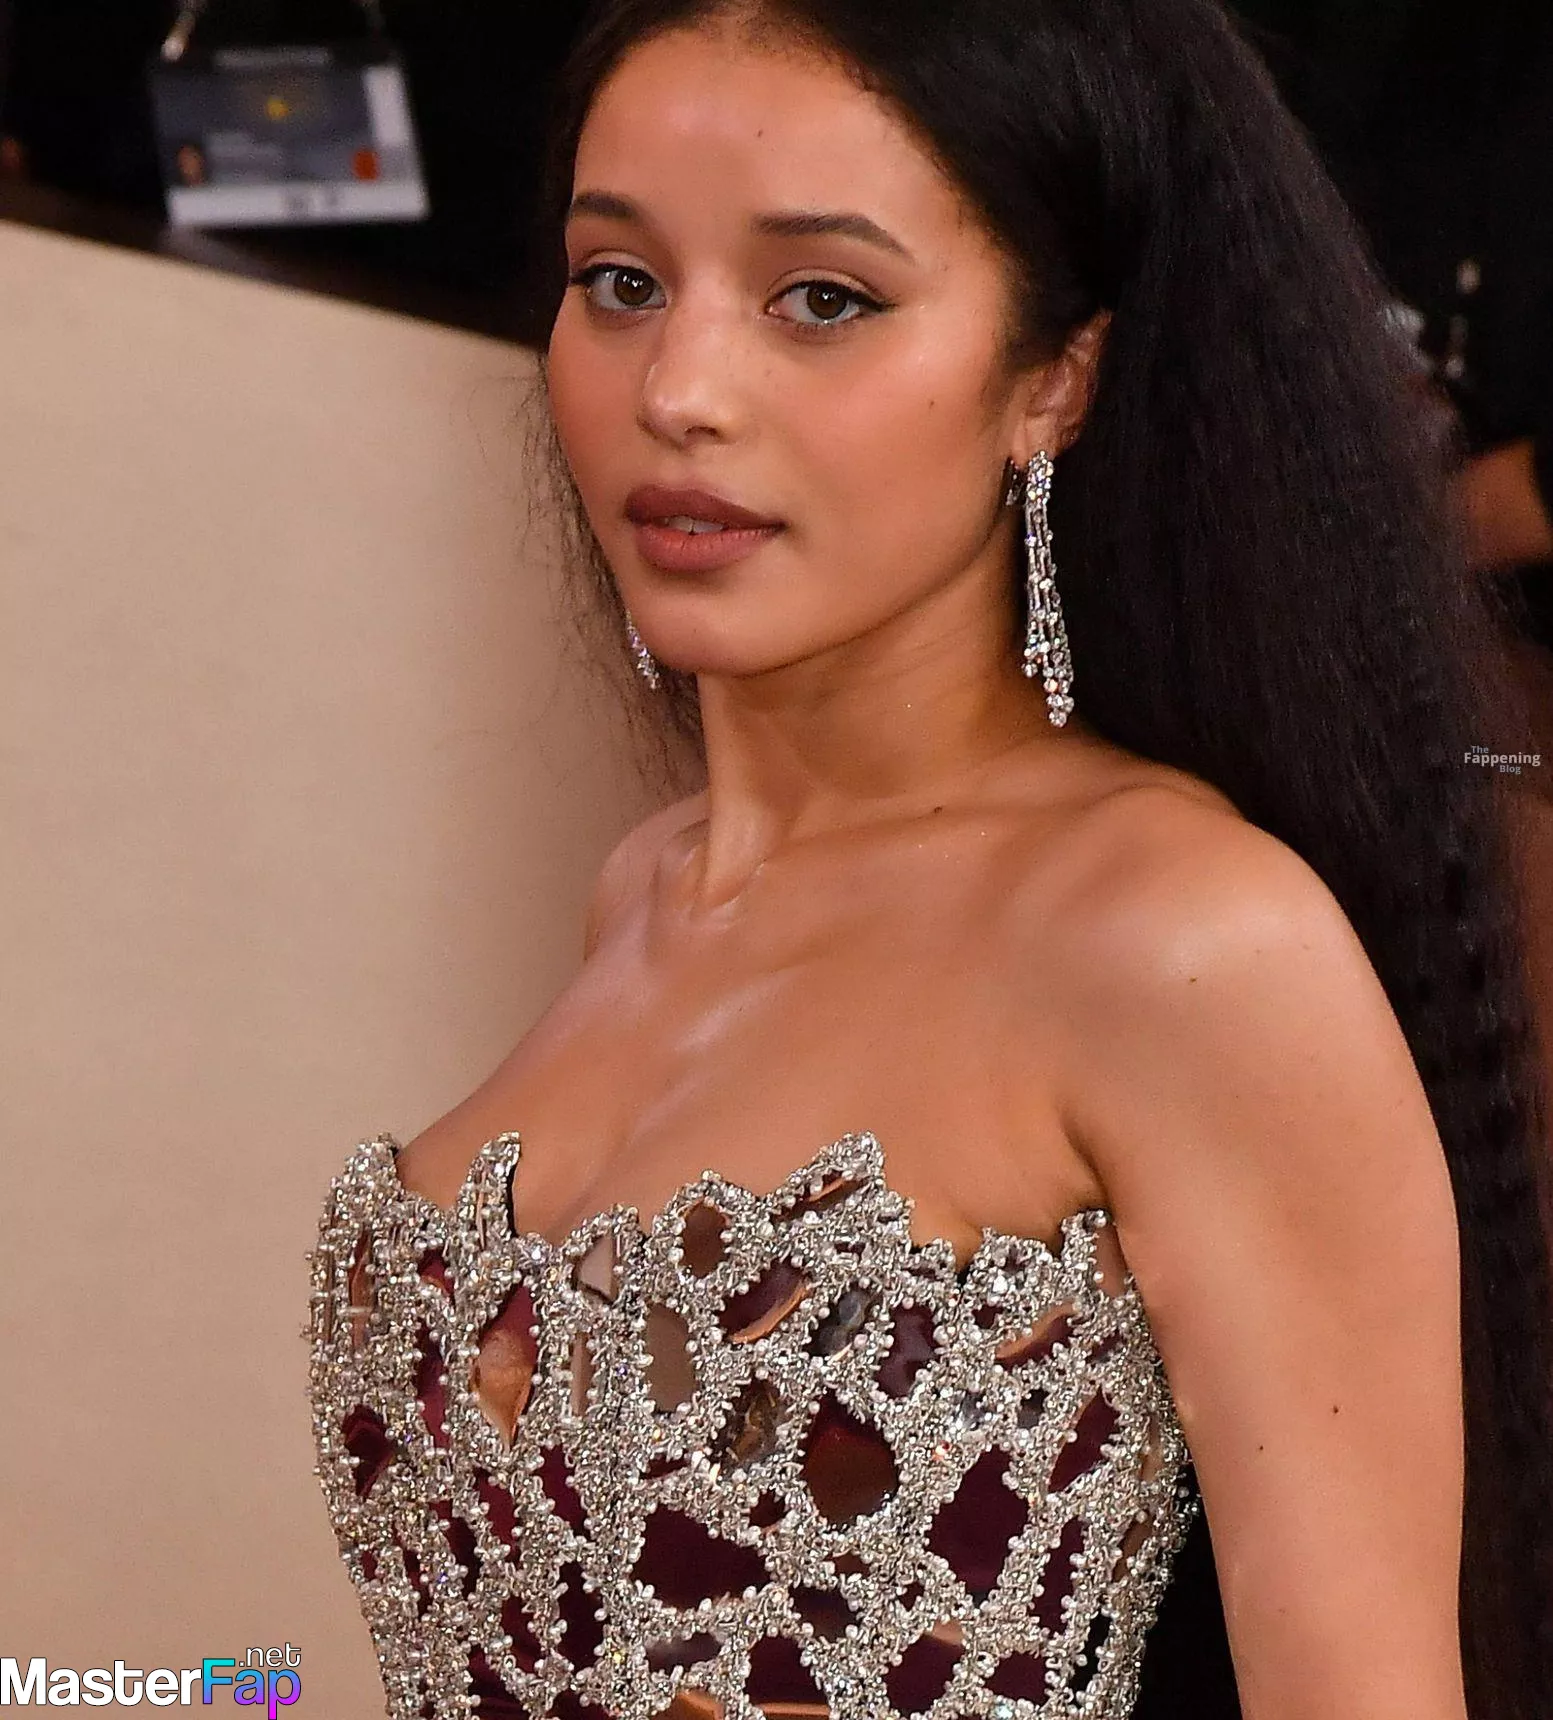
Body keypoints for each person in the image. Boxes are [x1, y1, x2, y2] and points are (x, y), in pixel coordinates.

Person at [304, 3, 1553, 1718]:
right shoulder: (647, 890)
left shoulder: (1187, 938)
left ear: (1056, 378)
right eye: (622, 281)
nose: (678, 390)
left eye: (824, 299)